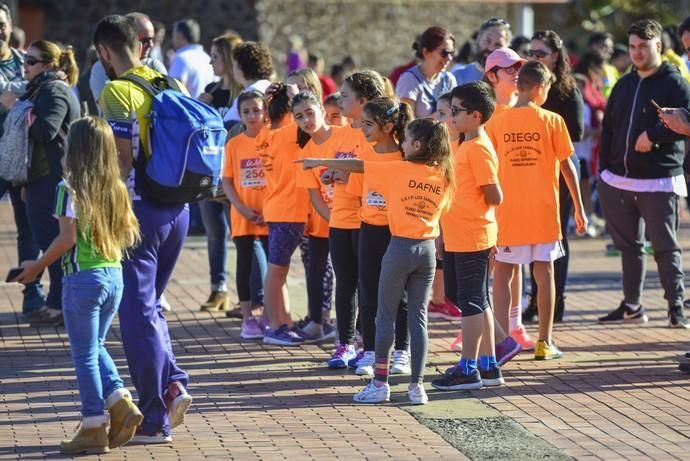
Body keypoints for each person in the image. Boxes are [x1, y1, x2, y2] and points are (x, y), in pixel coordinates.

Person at [299, 118, 454, 405]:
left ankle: (380, 384)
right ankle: (416, 387)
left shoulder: (398, 169)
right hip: (427, 251)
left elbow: (359, 166)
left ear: (417, 145)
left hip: (399, 248)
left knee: (384, 315)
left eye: (406, 140)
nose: (402, 145)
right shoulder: (444, 174)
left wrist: (316, 161)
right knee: (418, 320)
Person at [13, 117, 143, 455]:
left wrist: (36, 267)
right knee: (96, 346)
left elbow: (67, 237)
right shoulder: (116, 185)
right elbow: (128, 234)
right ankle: (120, 402)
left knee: (84, 353)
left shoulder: (67, 187)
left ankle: (93, 424)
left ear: (75, 148)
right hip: (114, 275)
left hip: (82, 278)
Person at [94, 15, 192, 443]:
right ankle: (173, 384)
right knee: (150, 308)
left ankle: (154, 418)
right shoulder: (169, 81)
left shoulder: (116, 91)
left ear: (104, 53)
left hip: (139, 213)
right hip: (179, 210)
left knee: (136, 318)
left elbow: (121, 159)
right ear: (139, 42)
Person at [488, 61, 587, 361]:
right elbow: (568, 166)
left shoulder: (496, 122)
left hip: (508, 212)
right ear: (540, 88)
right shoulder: (552, 120)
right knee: (544, 273)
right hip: (544, 211)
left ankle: (502, 343)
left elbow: (488, 169)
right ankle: (545, 341)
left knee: (502, 275)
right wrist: (580, 207)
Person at [597, 19, 690, 328]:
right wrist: (604, 172)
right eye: (633, 46)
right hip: (618, 180)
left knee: (665, 247)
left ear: (659, 47)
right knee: (629, 248)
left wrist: (654, 135)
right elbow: (608, 128)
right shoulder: (624, 83)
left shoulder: (675, 83)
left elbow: (685, 125)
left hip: (659, 179)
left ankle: (675, 307)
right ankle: (632, 306)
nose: (636, 53)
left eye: (644, 46)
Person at [431, 81, 504, 390]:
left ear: (475, 115)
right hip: (459, 234)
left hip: (474, 234)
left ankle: (469, 366)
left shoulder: (479, 148)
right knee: (474, 299)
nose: (452, 117)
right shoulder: (464, 144)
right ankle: (489, 365)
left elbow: (495, 194)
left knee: (472, 301)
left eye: (457, 111)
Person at [6, 40, 80, 328]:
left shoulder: (54, 90)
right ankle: (57, 301)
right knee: (48, 240)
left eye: (31, 62)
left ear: (48, 66)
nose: (25, 66)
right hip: (41, 179)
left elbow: (46, 131)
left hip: (53, 180)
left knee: (55, 242)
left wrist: (20, 108)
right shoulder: (43, 89)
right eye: (25, 60)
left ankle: (59, 305)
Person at [320, 71, 386, 368]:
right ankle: (344, 344)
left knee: (367, 285)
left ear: (364, 101)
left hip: (366, 219)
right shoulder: (340, 133)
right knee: (344, 283)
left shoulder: (377, 135)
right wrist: (330, 174)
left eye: (346, 96)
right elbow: (334, 171)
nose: (341, 100)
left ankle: (367, 345)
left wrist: (348, 176)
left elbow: (377, 178)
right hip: (340, 218)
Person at [344, 97, 413, 376]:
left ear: (387, 126)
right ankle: (371, 351)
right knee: (368, 291)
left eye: (369, 124)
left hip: (397, 231)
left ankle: (402, 352)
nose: (363, 129)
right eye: (362, 123)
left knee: (401, 295)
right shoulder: (366, 154)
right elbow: (357, 191)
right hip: (369, 229)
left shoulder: (405, 156)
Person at [522, 30, 584, 324]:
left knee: (554, 236)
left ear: (556, 55)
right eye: (531, 53)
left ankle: (555, 300)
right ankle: (535, 300)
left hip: (560, 167)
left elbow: (577, 133)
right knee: (528, 235)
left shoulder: (566, 89)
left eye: (541, 53)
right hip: (527, 170)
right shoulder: (521, 90)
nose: (535, 58)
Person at [257, 82, 311, 345]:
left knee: (279, 271)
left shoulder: (265, 134)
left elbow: (272, 120)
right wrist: (293, 94)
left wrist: (269, 105)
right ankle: (275, 327)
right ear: (291, 112)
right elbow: (301, 119)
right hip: (289, 211)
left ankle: (285, 321)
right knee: (276, 271)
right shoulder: (289, 134)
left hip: (277, 209)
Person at [0, 2, 45, 318]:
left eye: (1, 23)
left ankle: (33, 297)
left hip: (18, 159)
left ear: (9, 26)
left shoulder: (22, 62)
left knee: (28, 227)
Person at [196, 32, 243, 312]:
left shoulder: (239, 96)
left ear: (226, 57)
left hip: (234, 176)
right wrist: (201, 103)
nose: (211, 62)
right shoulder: (212, 89)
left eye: (215, 57)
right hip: (209, 173)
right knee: (214, 233)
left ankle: (247, 296)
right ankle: (218, 289)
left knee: (240, 236)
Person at [223, 90, 270, 339]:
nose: (252, 115)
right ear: (240, 115)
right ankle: (248, 318)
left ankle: (269, 315)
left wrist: (268, 208)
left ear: (265, 112)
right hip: (243, 215)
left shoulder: (272, 139)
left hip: (270, 213)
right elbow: (228, 181)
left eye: (257, 110)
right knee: (245, 264)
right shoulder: (234, 144)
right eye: (246, 111)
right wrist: (241, 208)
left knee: (273, 265)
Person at [89, 12, 167, 106]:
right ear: (129, 37)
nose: (151, 45)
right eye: (145, 40)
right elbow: (108, 108)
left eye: (153, 39)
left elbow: (166, 104)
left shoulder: (154, 66)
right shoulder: (101, 68)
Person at [395, 26, 457, 119]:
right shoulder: (409, 80)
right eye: (444, 53)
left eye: (451, 53)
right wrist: (439, 116)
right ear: (426, 52)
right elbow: (406, 124)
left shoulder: (449, 79)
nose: (449, 58)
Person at [224, 41, 273, 127]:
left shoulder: (250, 94)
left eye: (233, 65)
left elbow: (227, 126)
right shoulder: (270, 86)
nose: (232, 70)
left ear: (240, 66)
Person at [453, 17, 512, 85]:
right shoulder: (458, 76)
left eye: (498, 45)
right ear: (478, 41)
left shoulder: (512, 79)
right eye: (487, 41)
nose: (491, 48)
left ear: (507, 48)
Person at [168, 18, 215, 98]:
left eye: (173, 35)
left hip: (185, 109)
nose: (172, 39)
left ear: (180, 35)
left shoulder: (181, 59)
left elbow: (174, 93)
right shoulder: (207, 58)